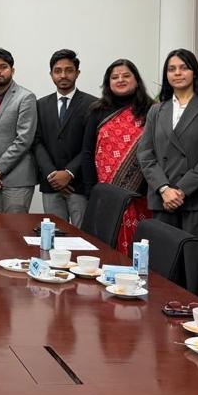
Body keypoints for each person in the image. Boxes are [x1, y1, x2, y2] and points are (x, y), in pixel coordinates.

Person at [136, 49, 198, 295]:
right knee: (162, 268)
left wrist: (181, 190)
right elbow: (145, 153)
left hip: (195, 200)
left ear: (194, 72)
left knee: (192, 269)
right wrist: (164, 188)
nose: (178, 73)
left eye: (184, 67)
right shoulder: (157, 110)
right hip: (162, 199)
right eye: (172, 69)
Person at [81, 59, 155, 255]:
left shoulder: (151, 110)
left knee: (138, 248)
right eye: (115, 77)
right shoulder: (97, 111)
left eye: (126, 76)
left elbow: (156, 152)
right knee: (104, 247)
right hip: (105, 194)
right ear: (108, 83)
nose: (120, 80)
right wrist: (91, 190)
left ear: (136, 80)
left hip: (141, 195)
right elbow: (87, 153)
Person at [33, 49, 97, 227]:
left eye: (69, 70)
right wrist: (52, 174)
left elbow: (92, 144)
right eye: (58, 71)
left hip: (79, 183)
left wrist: (69, 173)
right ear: (51, 74)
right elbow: (36, 142)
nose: (63, 75)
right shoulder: (40, 104)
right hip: (51, 183)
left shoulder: (93, 104)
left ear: (77, 73)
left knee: (81, 233)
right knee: (53, 233)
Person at [0, 48, 38, 213]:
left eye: (3, 67)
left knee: (14, 227)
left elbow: (24, 139)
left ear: (12, 70)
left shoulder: (26, 97)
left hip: (17, 178)